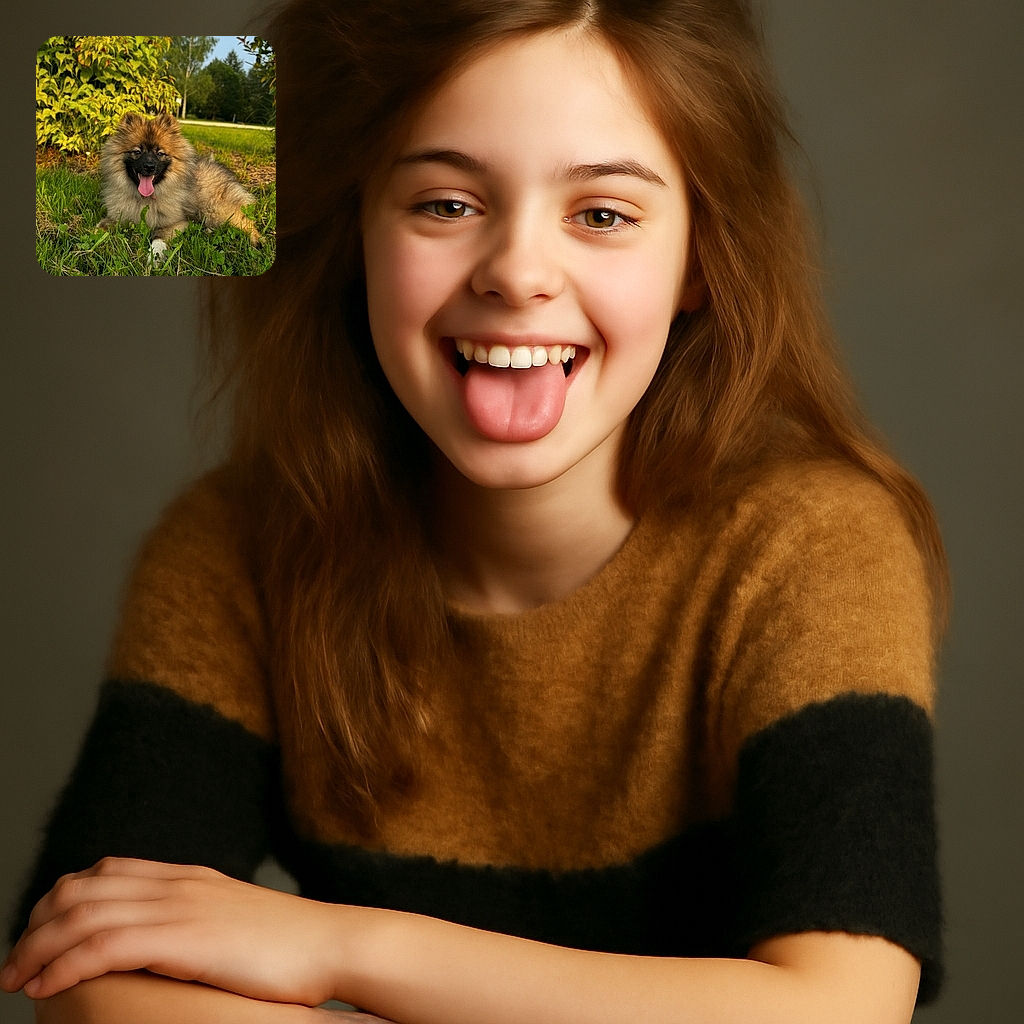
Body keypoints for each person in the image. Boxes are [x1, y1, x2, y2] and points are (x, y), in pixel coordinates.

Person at [2, 1, 946, 1021]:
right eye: (446, 204)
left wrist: (335, 948)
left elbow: (841, 1009)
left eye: (602, 214)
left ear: (701, 259)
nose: (517, 274)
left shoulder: (815, 541)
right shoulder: (235, 544)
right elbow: (91, 970)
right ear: (349, 229)